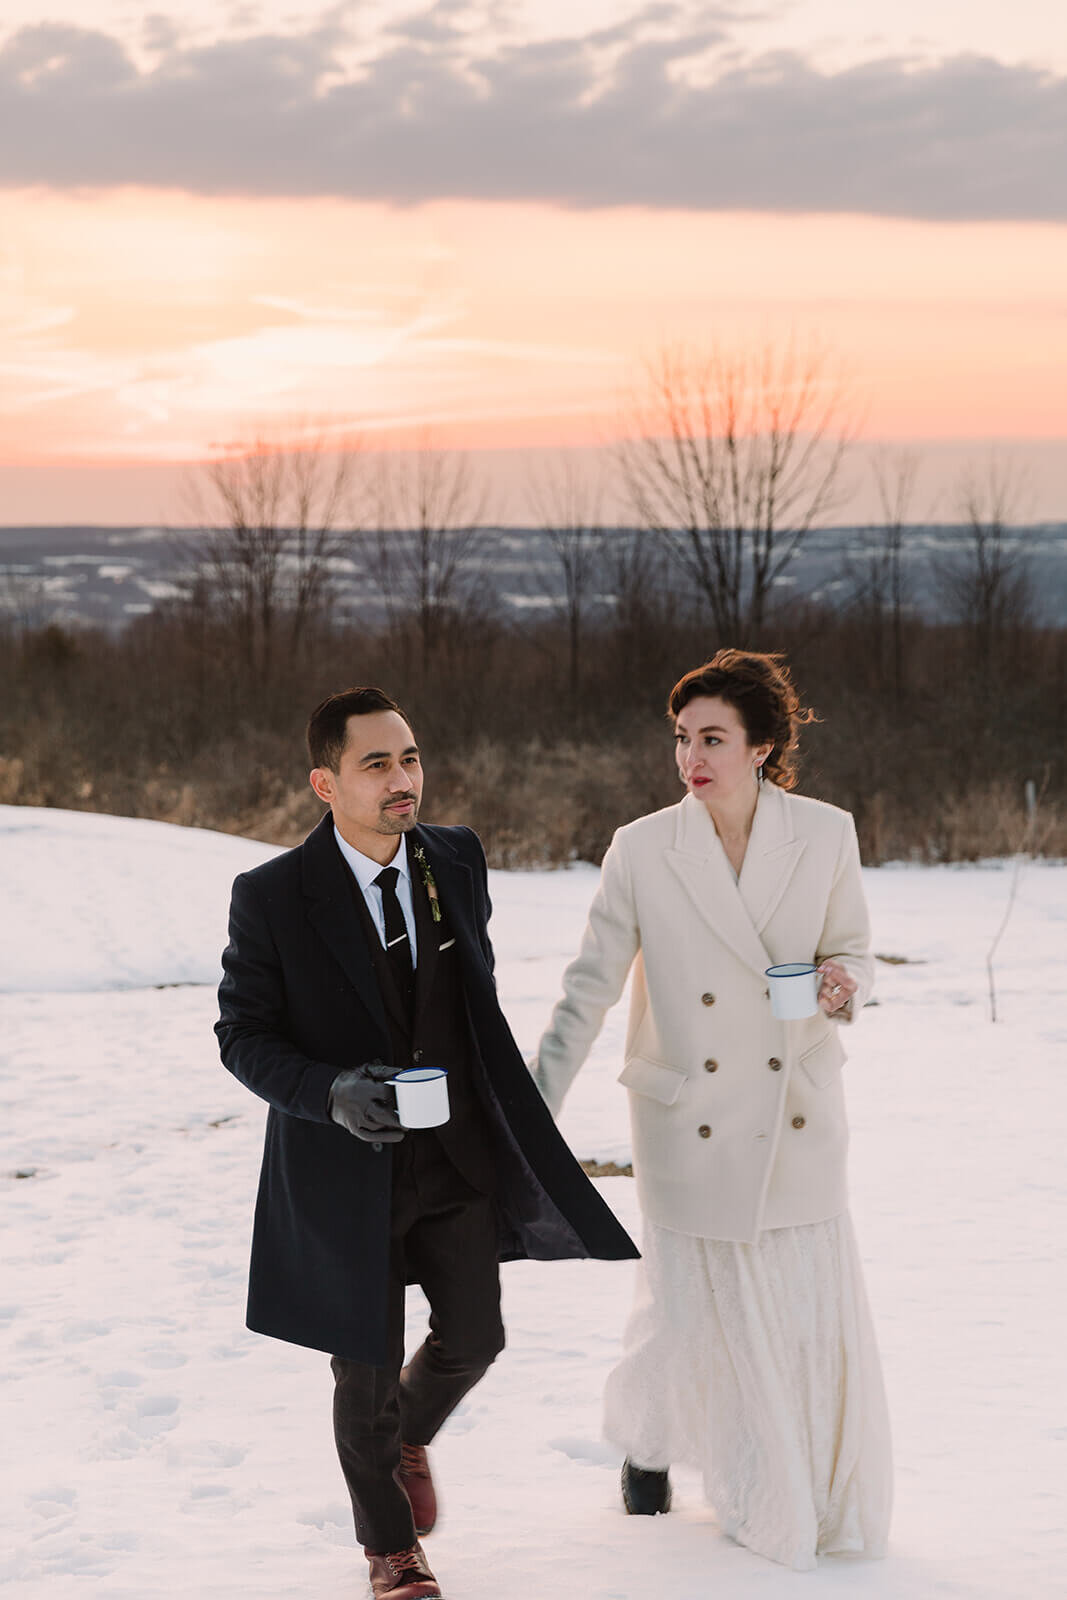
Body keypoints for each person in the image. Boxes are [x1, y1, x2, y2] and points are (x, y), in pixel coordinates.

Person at [216, 687, 637, 1600]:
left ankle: (403, 1439)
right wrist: (329, 1092)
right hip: (341, 1171)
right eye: (377, 764)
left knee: (475, 1337)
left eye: (409, 758)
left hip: (454, 1154)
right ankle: (389, 1549)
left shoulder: (455, 856)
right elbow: (240, 1037)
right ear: (326, 782)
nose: (403, 779)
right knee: (361, 1372)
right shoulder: (273, 897)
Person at [533, 650, 893, 1572]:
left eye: (712, 739)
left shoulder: (824, 833)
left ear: (762, 746)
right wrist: (531, 1112)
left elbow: (851, 952)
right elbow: (589, 991)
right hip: (686, 1116)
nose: (690, 757)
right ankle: (652, 1446)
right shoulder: (645, 847)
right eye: (682, 738)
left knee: (797, 1313)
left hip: (797, 1107)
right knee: (690, 1311)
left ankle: (786, 1479)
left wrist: (840, 984)